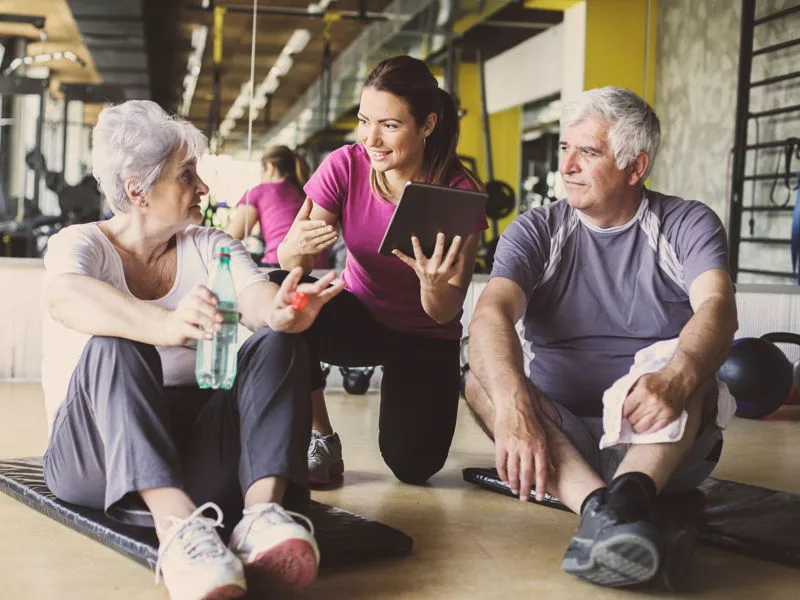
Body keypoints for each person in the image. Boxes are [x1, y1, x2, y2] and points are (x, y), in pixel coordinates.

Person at [41, 100, 342, 600]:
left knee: (278, 341)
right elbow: (65, 297)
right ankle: (177, 530)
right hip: (96, 452)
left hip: (195, 445)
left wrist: (282, 311)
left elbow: (256, 299)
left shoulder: (210, 243)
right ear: (138, 189)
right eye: (187, 175)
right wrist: (164, 324)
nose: (203, 188)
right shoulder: (81, 244)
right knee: (115, 343)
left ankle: (261, 517)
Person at [465, 87, 738, 588]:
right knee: (481, 381)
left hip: (660, 443)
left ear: (636, 168)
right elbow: (489, 315)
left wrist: (676, 377)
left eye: (587, 152)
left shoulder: (685, 223)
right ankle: (605, 511)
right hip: (556, 442)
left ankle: (631, 493)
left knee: (691, 368)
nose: (567, 166)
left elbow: (718, 308)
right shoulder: (536, 230)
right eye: (564, 149)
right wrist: (514, 407)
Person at [274, 55, 487, 486]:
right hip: (359, 317)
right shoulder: (345, 165)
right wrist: (291, 249)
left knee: (414, 467)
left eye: (389, 125)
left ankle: (414, 395)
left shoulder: (459, 193)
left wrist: (431, 284)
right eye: (364, 121)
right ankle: (321, 440)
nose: (371, 138)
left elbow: (444, 313)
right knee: (281, 293)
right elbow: (294, 268)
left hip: (425, 335)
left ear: (427, 124)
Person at [226, 145, 333, 269]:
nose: (261, 177)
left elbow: (230, 238)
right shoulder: (304, 192)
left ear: (270, 167)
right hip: (321, 267)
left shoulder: (259, 192)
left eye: (262, 172)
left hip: (281, 266)